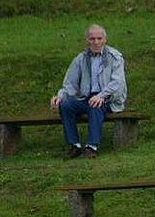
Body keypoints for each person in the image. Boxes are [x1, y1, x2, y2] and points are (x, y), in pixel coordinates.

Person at [50, 24, 127, 159]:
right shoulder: (80, 59)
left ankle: (92, 147)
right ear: (87, 40)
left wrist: (101, 96)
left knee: (95, 105)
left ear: (105, 40)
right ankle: (74, 145)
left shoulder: (115, 57)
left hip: (109, 99)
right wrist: (60, 96)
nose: (96, 42)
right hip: (86, 97)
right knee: (66, 105)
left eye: (99, 38)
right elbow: (70, 83)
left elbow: (117, 82)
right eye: (92, 39)